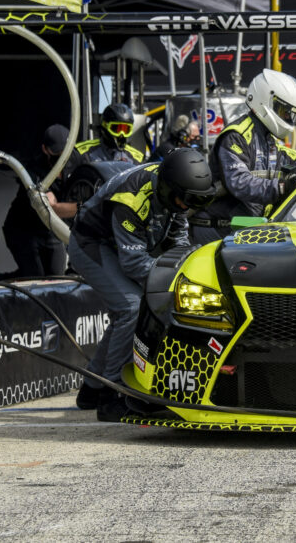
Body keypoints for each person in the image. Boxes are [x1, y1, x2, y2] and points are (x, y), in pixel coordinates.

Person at [70, 148, 214, 420]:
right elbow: (134, 263)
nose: (186, 207)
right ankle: (111, 395)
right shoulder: (132, 199)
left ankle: (91, 388)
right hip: (91, 244)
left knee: (125, 313)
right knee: (131, 308)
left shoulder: (175, 193)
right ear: (170, 189)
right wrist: (171, 282)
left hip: (118, 246)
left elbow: (178, 241)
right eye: (184, 202)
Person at [190, 69, 296, 243]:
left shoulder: (275, 145)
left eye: (291, 114)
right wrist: (281, 187)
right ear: (266, 99)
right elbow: (238, 182)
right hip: (216, 230)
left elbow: (295, 182)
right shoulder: (236, 135)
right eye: (284, 111)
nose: (287, 117)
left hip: (246, 231)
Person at [0, 124, 77, 279]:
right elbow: (52, 208)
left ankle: (10, 278)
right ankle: (4, 280)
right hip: (24, 231)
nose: (61, 156)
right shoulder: (32, 171)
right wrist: (82, 206)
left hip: (52, 230)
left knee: (57, 278)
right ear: (45, 149)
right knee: (35, 278)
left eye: (64, 152)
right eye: (56, 152)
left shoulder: (77, 161)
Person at [66, 103, 145, 175]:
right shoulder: (82, 152)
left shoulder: (136, 158)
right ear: (105, 126)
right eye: (116, 129)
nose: (121, 134)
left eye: (126, 129)